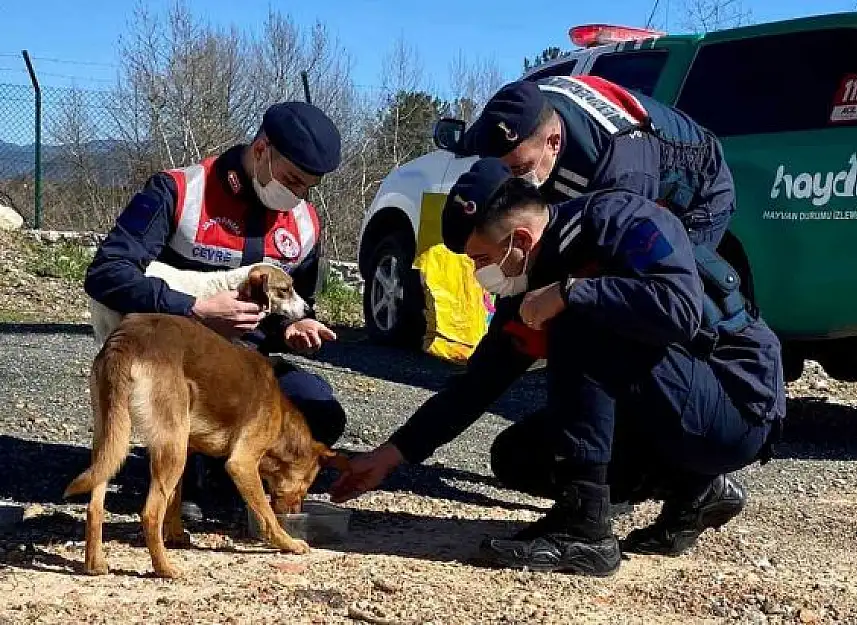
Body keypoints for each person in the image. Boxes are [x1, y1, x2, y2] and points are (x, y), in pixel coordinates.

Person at [330, 158, 786, 577]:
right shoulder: (529, 282)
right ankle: (694, 488)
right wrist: (389, 455)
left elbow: (679, 309)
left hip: (735, 407)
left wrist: (572, 292)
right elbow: (477, 385)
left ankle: (584, 531)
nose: (478, 275)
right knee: (519, 456)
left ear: (521, 240)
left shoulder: (620, 220)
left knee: (579, 317)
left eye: (482, 259)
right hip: (668, 413)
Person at [84, 101, 348, 522]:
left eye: (307, 188)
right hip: (171, 362)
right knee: (191, 398)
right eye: (292, 180)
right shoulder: (179, 191)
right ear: (262, 148)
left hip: (243, 367)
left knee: (318, 410)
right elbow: (106, 274)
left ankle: (228, 471)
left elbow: (290, 309)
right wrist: (194, 309)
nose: (296, 196)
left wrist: (296, 328)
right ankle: (185, 473)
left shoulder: (305, 225)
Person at [456, 75, 737, 251]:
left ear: (553, 143)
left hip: (699, 190)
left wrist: (564, 293)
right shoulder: (503, 120)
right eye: (506, 170)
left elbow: (614, 253)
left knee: (662, 284)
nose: (515, 181)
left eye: (520, 169)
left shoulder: (620, 161)